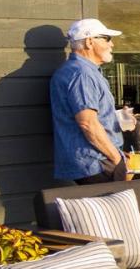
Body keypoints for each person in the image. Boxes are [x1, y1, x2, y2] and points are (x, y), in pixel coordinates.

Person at [50, 18, 127, 184]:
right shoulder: (82, 74)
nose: (111, 44)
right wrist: (115, 158)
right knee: (114, 208)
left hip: (94, 161)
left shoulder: (78, 71)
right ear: (90, 42)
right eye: (107, 39)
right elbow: (87, 123)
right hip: (97, 162)